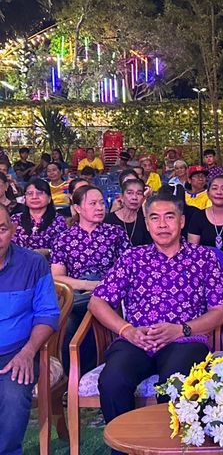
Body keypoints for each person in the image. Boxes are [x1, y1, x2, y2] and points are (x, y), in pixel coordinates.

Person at [89, 192, 223, 452]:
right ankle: (125, 449)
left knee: (173, 383)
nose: (162, 225)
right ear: (147, 223)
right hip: (136, 340)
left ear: (182, 221)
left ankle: (170, 449)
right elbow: (97, 302)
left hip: (185, 341)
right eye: (155, 218)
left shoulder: (204, 258)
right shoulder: (133, 257)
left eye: (169, 217)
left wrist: (181, 330)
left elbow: (220, 311)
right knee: (112, 381)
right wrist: (126, 330)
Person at [0, 205, 60, 455]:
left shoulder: (33, 264)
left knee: (13, 396)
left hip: (18, 352)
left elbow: (48, 314)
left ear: (13, 230)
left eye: (1, 229)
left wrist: (27, 352)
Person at [51, 185, 129, 374]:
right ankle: (73, 378)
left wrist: (104, 286)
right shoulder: (64, 239)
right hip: (78, 293)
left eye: (102, 203)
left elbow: (129, 268)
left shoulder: (115, 233)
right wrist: (89, 285)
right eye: (93, 203)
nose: (100, 208)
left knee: (91, 313)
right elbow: (57, 278)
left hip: (109, 293)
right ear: (77, 208)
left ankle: (94, 373)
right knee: (70, 322)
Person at [11, 179, 67, 257]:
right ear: (25, 198)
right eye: (30, 193)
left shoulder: (59, 221)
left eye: (40, 193)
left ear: (49, 198)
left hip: (49, 263)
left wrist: (48, 251)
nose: (34, 197)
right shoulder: (15, 219)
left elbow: (64, 249)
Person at [104, 178, 152, 246]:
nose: (134, 197)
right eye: (130, 193)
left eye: (139, 193)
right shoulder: (107, 220)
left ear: (143, 198)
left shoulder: (145, 221)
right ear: (121, 197)